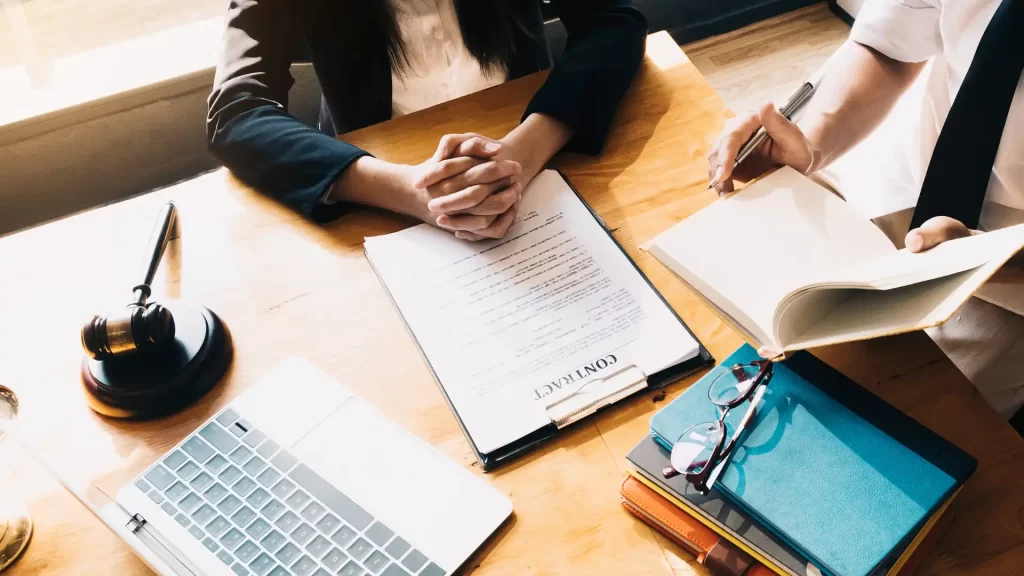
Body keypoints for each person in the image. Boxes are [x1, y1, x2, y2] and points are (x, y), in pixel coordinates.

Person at [706, 0, 1024, 423]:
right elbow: (889, 46)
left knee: (877, 418)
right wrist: (810, 143)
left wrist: (992, 258)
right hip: (914, 170)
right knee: (731, 297)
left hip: (1007, 273)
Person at [207, 0, 647, 241]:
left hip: (543, 157)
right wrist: (408, 189)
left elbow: (614, 21)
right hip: (378, 193)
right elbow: (237, 113)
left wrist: (520, 155)